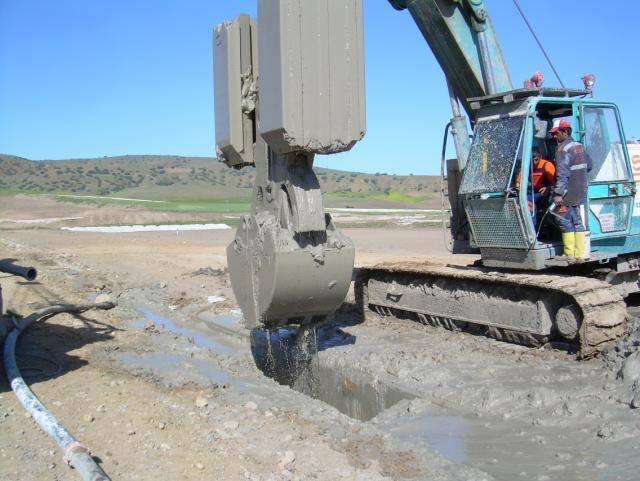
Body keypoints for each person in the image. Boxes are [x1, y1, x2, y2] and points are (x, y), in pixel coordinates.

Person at [550, 119, 592, 260]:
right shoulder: (579, 146)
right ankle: (579, 254)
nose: (554, 136)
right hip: (580, 189)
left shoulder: (562, 149)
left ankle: (569, 254)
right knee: (577, 221)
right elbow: (590, 165)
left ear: (565, 132)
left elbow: (562, 174)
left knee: (563, 219)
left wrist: (558, 193)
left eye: (556, 133)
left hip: (567, 192)